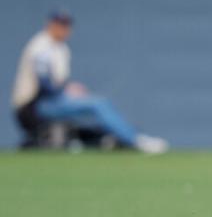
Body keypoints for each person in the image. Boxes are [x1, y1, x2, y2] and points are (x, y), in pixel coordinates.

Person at [11, 10, 168, 153]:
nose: (64, 29)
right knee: (97, 104)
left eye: (66, 25)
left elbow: (56, 83)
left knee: (94, 106)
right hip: (32, 108)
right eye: (60, 24)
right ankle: (135, 140)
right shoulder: (41, 46)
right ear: (50, 24)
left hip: (47, 102)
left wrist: (68, 88)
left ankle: (111, 138)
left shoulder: (60, 47)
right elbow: (44, 85)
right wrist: (65, 91)